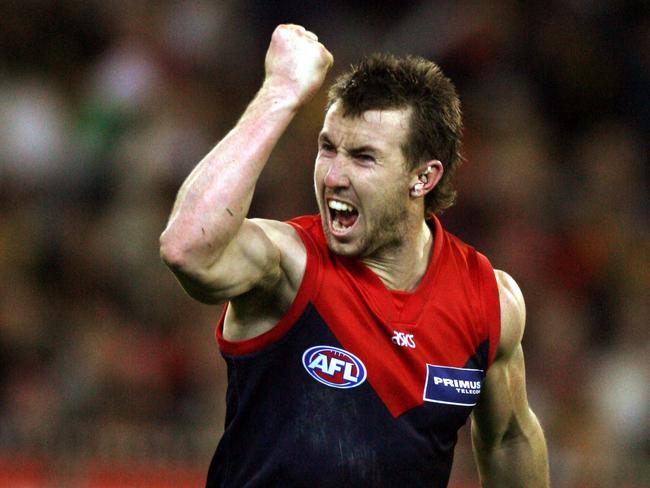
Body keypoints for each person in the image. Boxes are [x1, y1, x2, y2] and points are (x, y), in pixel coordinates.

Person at [160, 24, 549, 487]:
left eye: (363, 157)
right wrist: (279, 93)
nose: (333, 177)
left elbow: (508, 438)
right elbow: (188, 248)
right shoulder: (289, 265)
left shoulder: (488, 300)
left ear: (423, 178)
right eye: (328, 148)